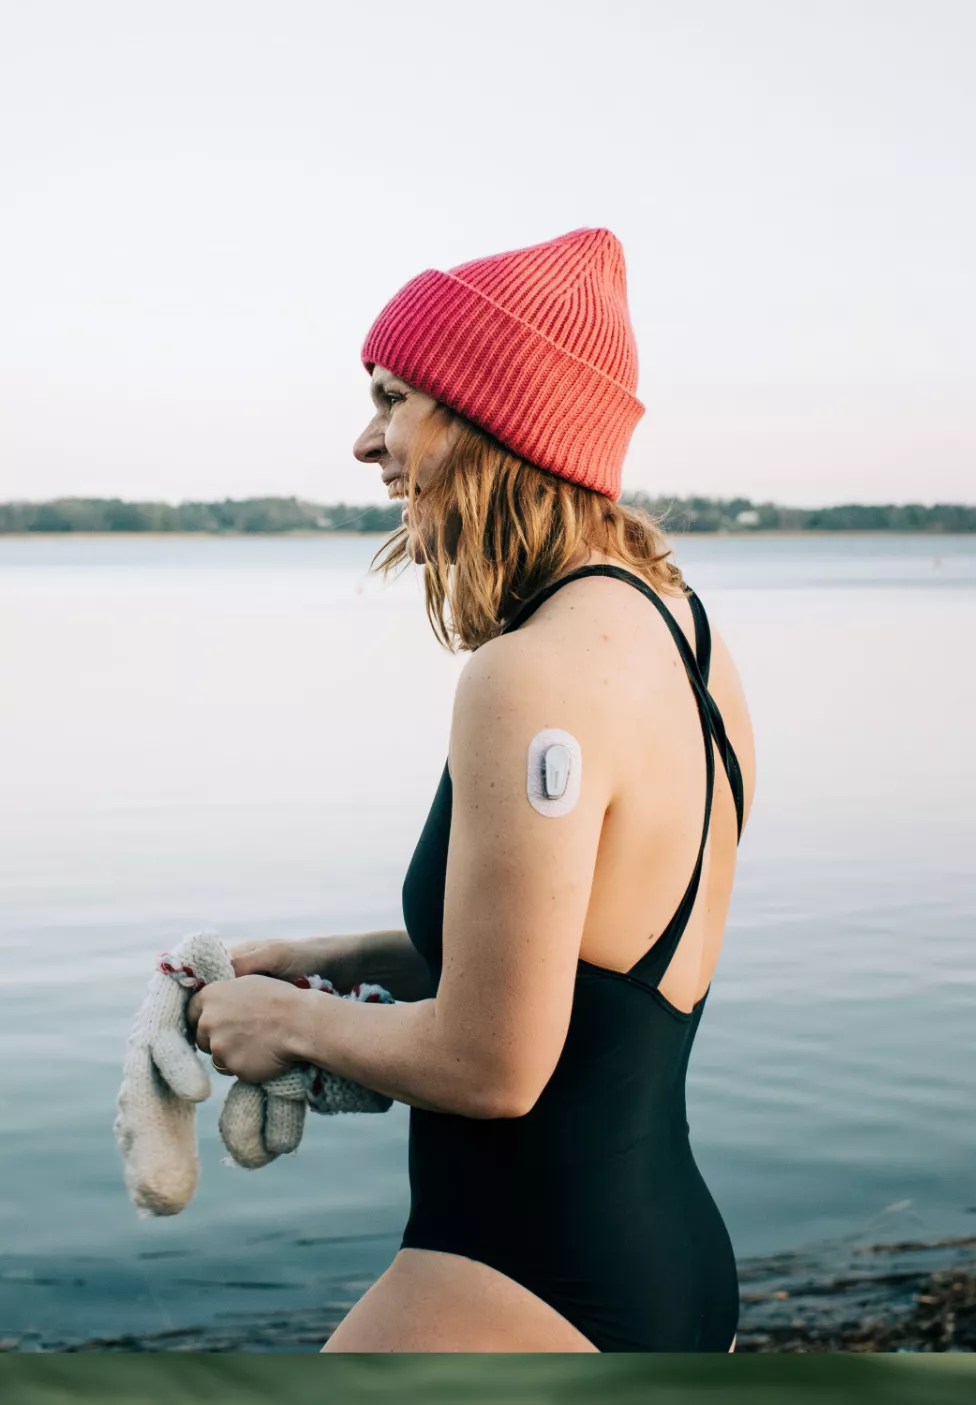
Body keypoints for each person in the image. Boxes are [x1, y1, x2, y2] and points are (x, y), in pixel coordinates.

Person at [189, 227, 755, 1351]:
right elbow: (583, 954)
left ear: (491, 415)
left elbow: (494, 1063)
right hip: (672, 1266)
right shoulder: (680, 635)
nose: (366, 440)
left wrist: (284, 1022)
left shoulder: (527, 673)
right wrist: (335, 959)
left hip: (519, 1282)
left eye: (393, 397)